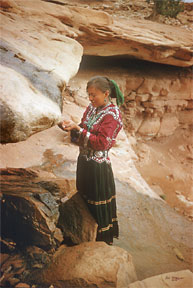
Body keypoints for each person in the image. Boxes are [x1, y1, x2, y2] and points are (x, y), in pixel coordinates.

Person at [59, 76, 124, 245]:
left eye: (93, 95)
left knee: (97, 203)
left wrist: (79, 129)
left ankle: (101, 241)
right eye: (88, 94)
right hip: (85, 162)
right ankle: (81, 234)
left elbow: (102, 143)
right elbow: (84, 127)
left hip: (98, 168)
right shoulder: (92, 108)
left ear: (106, 93)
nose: (90, 98)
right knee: (84, 197)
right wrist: (71, 127)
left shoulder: (113, 115)